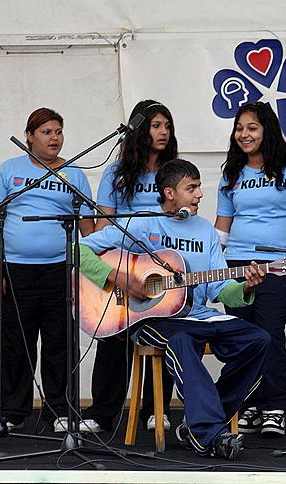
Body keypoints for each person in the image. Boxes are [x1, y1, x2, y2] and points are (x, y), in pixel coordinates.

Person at [78, 159, 270, 460]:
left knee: (259, 340)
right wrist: (118, 277)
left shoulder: (205, 232)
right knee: (180, 341)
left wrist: (246, 287)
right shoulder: (142, 224)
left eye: (198, 188)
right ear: (169, 193)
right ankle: (209, 433)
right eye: (191, 188)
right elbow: (80, 248)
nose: (199, 195)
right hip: (155, 319)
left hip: (200, 316)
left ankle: (203, 422)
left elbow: (219, 290)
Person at [0, 107, 95, 431]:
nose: (55, 138)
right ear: (29, 136)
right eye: (47, 132)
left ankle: (59, 410)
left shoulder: (73, 174)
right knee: (14, 342)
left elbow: (88, 226)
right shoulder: (10, 170)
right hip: (16, 270)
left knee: (60, 342)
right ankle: (10, 411)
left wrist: (100, 268)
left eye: (58, 131)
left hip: (60, 269)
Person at [82, 100, 179, 433]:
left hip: (160, 266)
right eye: (155, 125)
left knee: (161, 331)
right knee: (113, 335)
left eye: (167, 125)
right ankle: (103, 413)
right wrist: (106, 272)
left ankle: (158, 409)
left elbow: (184, 220)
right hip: (121, 264)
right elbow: (102, 226)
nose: (163, 131)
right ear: (140, 130)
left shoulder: (175, 170)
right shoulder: (116, 172)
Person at [214, 102, 286, 437]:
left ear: (267, 130)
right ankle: (247, 403)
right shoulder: (231, 173)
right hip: (236, 264)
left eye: (251, 127)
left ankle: (275, 405)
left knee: (269, 332)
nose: (244, 134)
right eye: (239, 128)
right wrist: (209, 259)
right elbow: (223, 225)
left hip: (279, 266)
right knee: (242, 337)